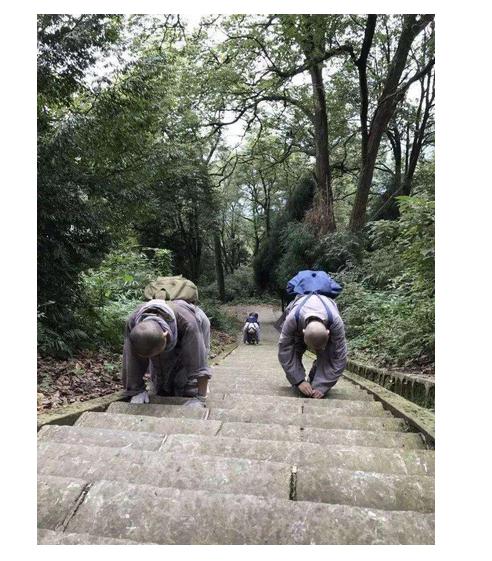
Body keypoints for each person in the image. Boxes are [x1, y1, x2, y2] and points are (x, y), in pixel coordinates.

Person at [121, 298, 211, 407]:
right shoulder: (132, 322)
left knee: (188, 385)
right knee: (160, 387)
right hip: (164, 332)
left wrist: (201, 397)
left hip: (196, 321)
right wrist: (136, 390)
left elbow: (198, 360)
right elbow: (131, 360)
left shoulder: (189, 324)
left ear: (165, 334)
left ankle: (195, 387)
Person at [278, 293, 347, 398]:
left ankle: (315, 380)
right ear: (303, 332)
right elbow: (284, 351)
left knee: (327, 354)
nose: (315, 351)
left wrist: (323, 386)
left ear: (328, 332)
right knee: (296, 349)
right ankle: (302, 383)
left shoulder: (336, 323)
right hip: (298, 323)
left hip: (324, 318)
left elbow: (340, 358)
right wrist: (298, 381)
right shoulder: (292, 319)